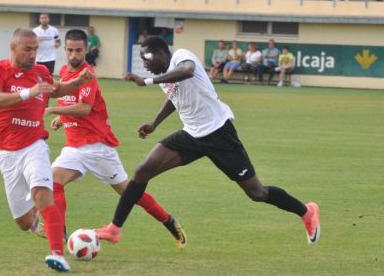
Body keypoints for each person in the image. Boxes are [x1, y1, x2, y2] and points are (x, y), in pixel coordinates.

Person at [94, 36, 321, 247]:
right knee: (143, 170)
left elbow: (187, 71)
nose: (144, 64)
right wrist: (155, 123)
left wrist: (147, 80)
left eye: (147, 59)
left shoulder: (182, 57)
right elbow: (175, 98)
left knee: (257, 193)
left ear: (162, 53)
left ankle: (306, 211)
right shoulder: (165, 77)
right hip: (191, 135)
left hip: (219, 133)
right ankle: (114, 229)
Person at [46, 29, 187, 254]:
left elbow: (84, 108)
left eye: (79, 50)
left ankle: (169, 221)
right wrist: (62, 120)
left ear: (86, 50)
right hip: (74, 147)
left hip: (98, 148)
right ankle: (60, 234)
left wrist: (54, 109)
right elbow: (73, 102)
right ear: (64, 50)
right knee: (52, 183)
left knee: (130, 193)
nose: (74, 55)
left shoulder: (87, 74)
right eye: (70, 50)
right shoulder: (63, 72)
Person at [0, 28, 93, 273]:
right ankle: (36, 220)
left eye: (36, 49)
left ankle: (57, 254)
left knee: (44, 194)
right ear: (13, 48)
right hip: (8, 153)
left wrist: (78, 82)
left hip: (35, 146)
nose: (34, 54)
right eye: (28, 49)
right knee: (23, 222)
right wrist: (27, 93)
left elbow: (57, 90)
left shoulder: (41, 72)